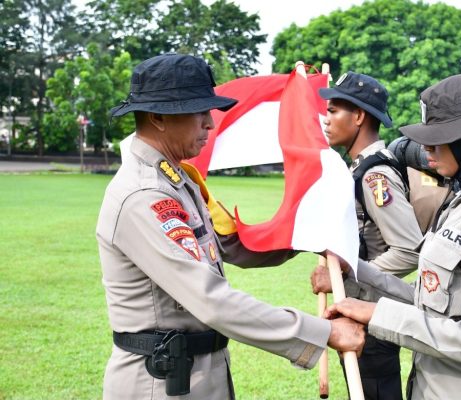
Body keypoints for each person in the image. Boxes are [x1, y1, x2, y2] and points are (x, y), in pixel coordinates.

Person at [96, 53, 365, 400]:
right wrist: (324, 331)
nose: (210, 123)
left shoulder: (178, 181)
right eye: (200, 112)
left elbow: (229, 245)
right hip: (160, 382)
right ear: (159, 117)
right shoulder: (144, 195)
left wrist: (308, 232)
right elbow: (211, 300)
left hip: (194, 372)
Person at [314, 73, 461, 399]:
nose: (426, 147)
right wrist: (355, 269)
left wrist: (378, 313)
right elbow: (431, 300)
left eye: (439, 136)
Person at [316, 71, 423, 400]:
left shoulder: (375, 175)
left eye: (334, 111)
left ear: (359, 116)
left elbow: (409, 250)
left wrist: (347, 270)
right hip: (359, 311)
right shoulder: (358, 167)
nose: (326, 119)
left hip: (374, 317)